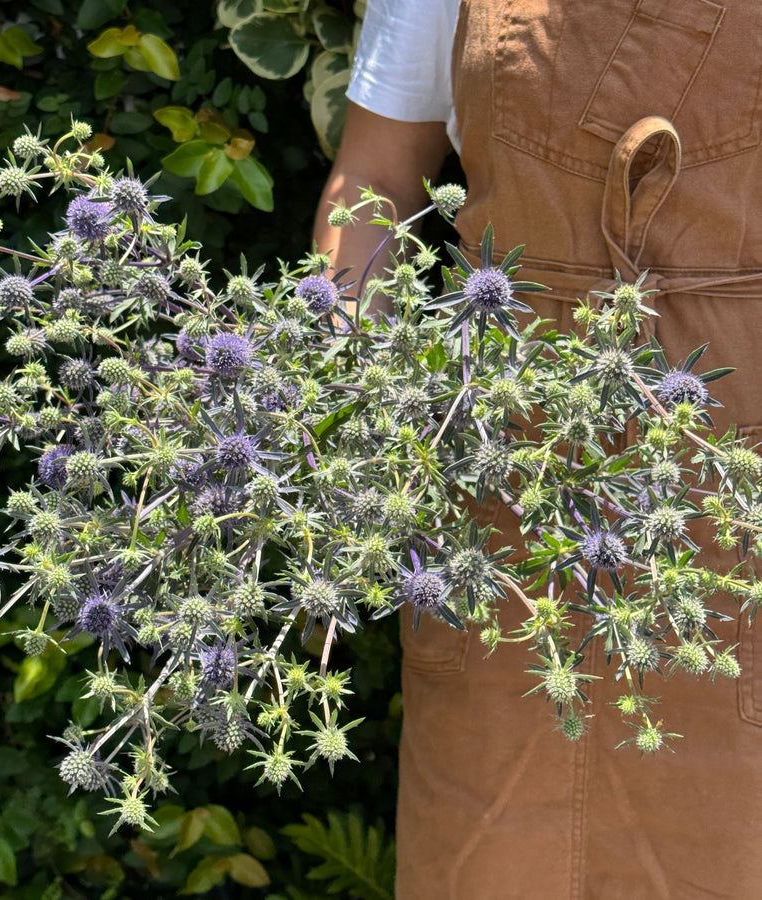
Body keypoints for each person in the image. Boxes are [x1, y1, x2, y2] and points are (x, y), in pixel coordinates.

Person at [313, 1, 762, 897]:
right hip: (502, 478)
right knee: (490, 855)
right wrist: (348, 400)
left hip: (734, 478)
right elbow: (376, 177)